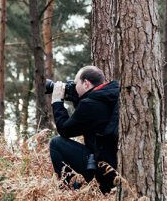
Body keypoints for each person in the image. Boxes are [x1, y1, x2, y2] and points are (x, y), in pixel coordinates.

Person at [49, 65, 119, 194]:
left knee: (56, 143)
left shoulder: (90, 104)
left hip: (102, 169)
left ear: (86, 84)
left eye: (75, 84)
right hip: (115, 166)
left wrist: (57, 102)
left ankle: (70, 191)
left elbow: (65, 130)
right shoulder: (113, 94)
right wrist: (77, 100)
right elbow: (87, 121)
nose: (73, 87)